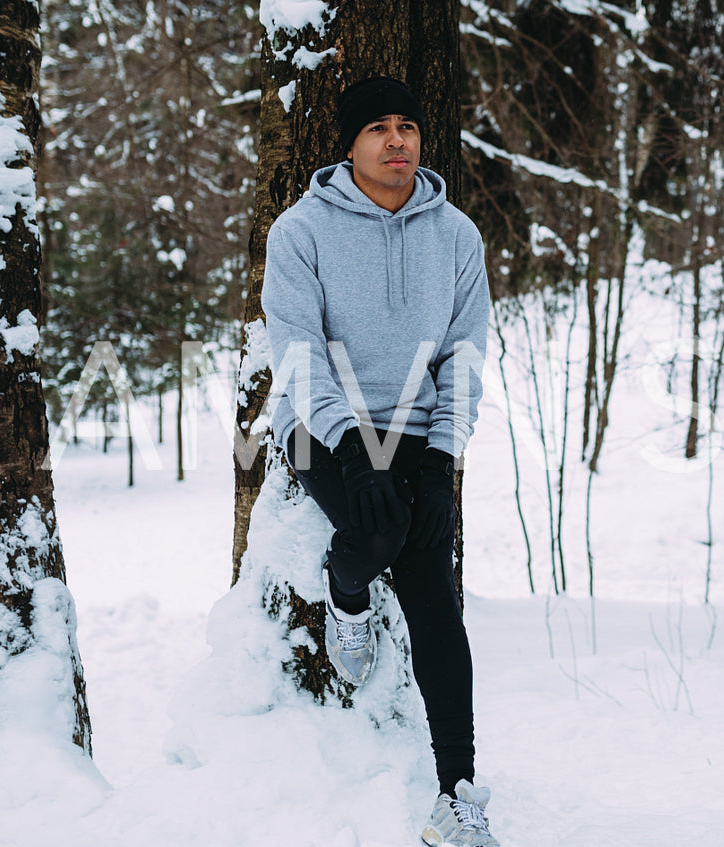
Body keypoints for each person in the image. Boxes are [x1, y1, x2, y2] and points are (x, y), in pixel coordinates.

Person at [260, 76, 499, 847]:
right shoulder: (301, 232)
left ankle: (456, 794)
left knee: (434, 589)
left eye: (408, 126)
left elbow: (465, 354)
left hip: (418, 429)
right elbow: (296, 350)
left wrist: (440, 460)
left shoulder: (456, 234)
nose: (396, 140)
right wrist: (353, 449)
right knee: (378, 528)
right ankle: (347, 598)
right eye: (378, 128)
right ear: (350, 144)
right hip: (316, 425)